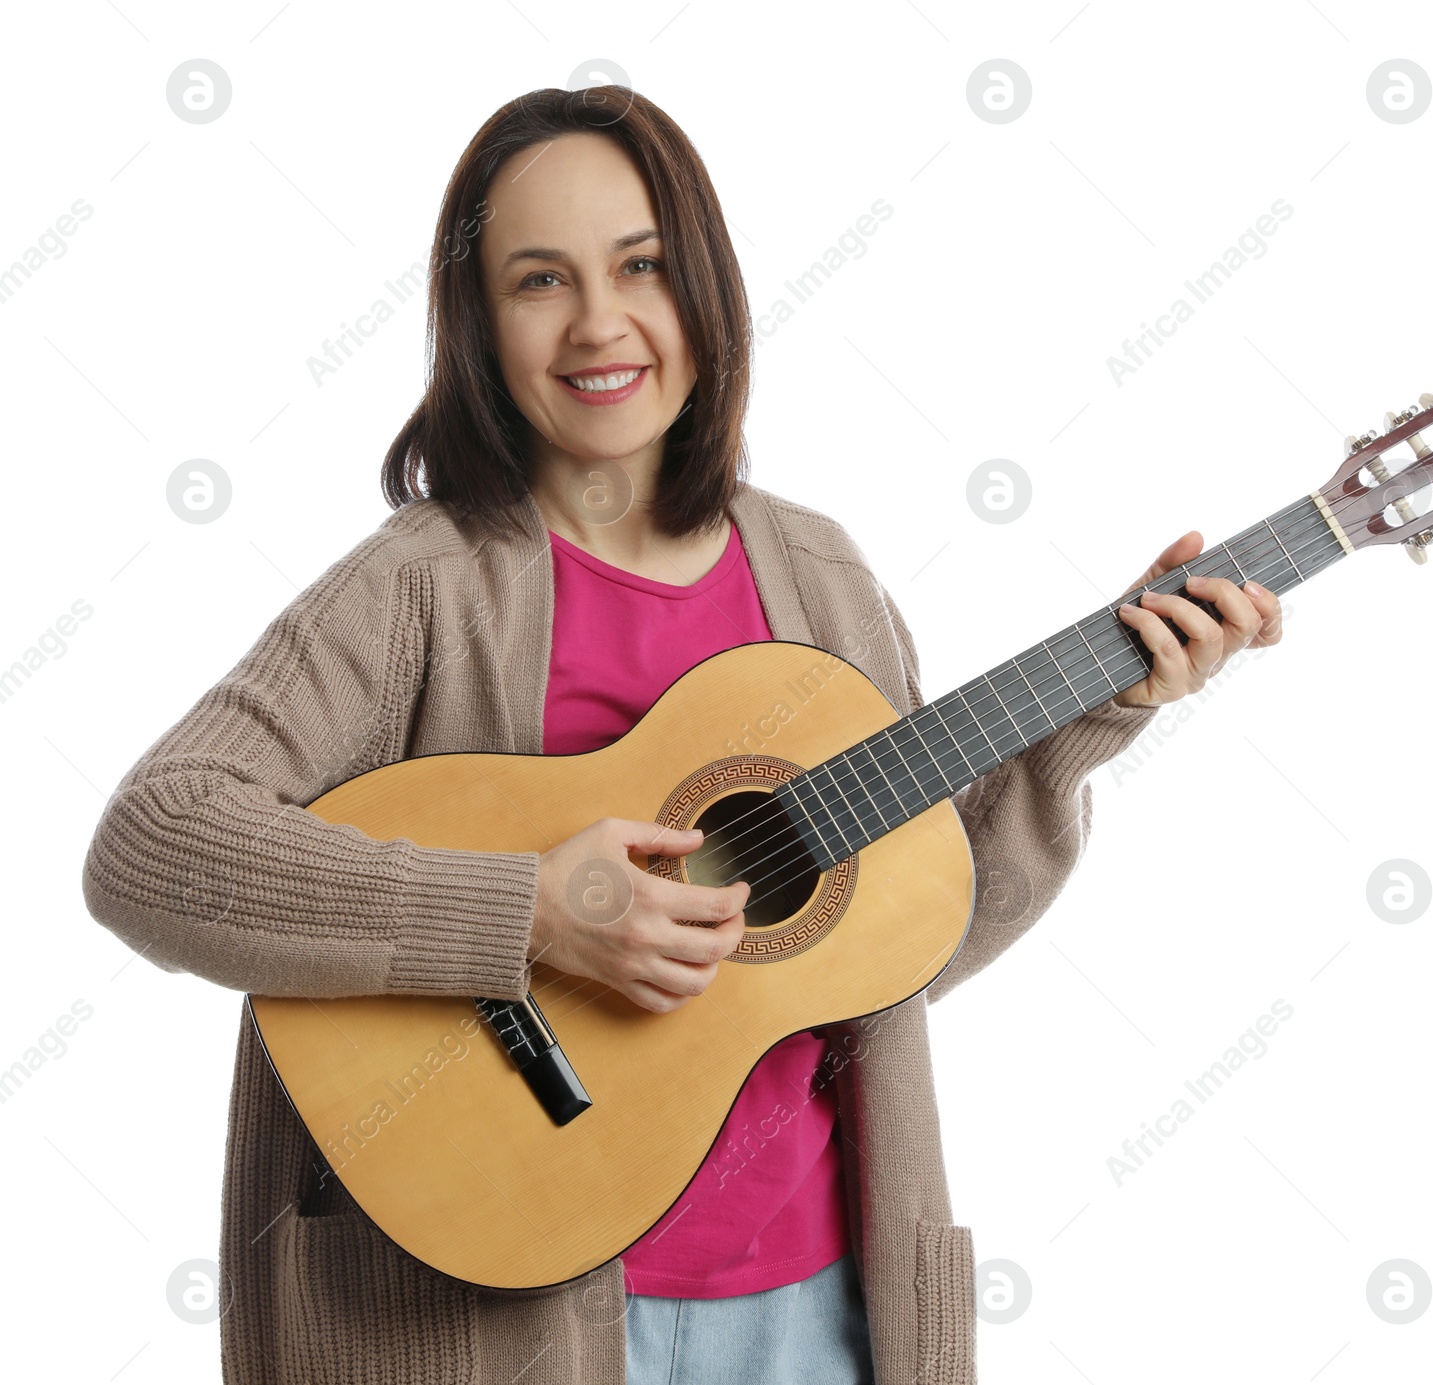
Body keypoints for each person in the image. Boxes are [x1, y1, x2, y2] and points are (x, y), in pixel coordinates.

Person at [81, 86, 1281, 1385]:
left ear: (701, 285)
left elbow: (899, 943)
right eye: (540, 280)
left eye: (640, 265)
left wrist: (1090, 721)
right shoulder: (421, 585)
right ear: (479, 325)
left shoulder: (819, 575)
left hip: (818, 1301)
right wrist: (530, 908)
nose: (601, 322)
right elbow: (152, 845)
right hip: (508, 1326)